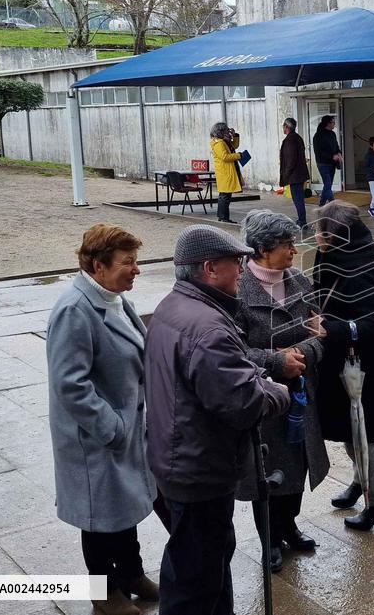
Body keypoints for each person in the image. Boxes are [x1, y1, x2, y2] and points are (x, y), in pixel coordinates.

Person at [144, 224, 290, 615]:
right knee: (196, 577)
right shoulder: (207, 327)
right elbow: (242, 401)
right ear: (210, 268)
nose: (243, 268)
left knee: (200, 563)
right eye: (235, 262)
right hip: (199, 468)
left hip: (176, 457)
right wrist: (277, 391)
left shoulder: (174, 306)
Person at [47, 224, 158, 615]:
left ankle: (131, 574)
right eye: (128, 263)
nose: (136, 270)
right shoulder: (74, 310)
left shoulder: (113, 298)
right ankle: (104, 591)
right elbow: (70, 385)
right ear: (98, 265)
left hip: (122, 430)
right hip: (96, 437)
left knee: (122, 508)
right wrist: (112, 428)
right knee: (97, 519)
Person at [234, 210, 330, 573]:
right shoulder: (239, 291)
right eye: (286, 244)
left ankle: (289, 526)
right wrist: (277, 362)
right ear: (261, 248)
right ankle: (269, 540)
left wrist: (301, 355)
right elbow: (234, 351)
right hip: (264, 396)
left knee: (299, 464)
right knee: (267, 471)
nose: (294, 250)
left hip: (302, 392)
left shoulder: (300, 282)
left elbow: (320, 334)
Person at [311, 200, 374, 530]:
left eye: (318, 230)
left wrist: (331, 329)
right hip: (346, 364)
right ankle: (359, 482)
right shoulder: (334, 257)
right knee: (353, 434)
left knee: (362, 438)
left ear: (332, 235)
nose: (314, 236)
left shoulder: (357, 269)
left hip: (365, 371)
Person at [279, 117, 310, 228]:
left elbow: (291, 159)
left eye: (283, 126)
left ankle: (302, 221)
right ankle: (302, 220)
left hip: (295, 175)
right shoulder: (297, 138)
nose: (283, 128)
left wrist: (286, 173)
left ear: (287, 127)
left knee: (298, 199)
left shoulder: (290, 140)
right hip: (299, 173)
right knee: (299, 198)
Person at [210, 122, 242, 224]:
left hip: (228, 171)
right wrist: (239, 155)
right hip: (225, 172)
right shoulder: (219, 143)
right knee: (224, 196)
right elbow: (225, 157)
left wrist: (234, 135)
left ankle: (222, 217)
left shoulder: (224, 141)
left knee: (225, 195)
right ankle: (224, 217)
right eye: (226, 130)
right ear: (221, 132)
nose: (228, 132)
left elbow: (234, 146)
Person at [312, 115, 342, 206]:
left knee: (328, 185)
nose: (334, 124)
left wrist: (339, 153)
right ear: (327, 123)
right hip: (323, 163)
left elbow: (336, 146)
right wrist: (332, 157)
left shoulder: (332, 134)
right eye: (333, 122)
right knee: (328, 184)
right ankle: (333, 204)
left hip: (332, 164)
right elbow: (318, 152)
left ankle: (322, 204)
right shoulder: (318, 136)